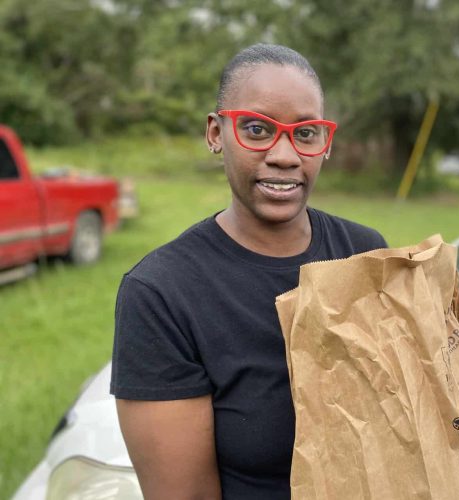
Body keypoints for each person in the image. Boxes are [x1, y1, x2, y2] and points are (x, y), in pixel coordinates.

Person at [110, 43, 387, 499]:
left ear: (326, 144)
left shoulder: (364, 254)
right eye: (257, 129)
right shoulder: (161, 293)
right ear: (216, 133)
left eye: (306, 133)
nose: (284, 154)